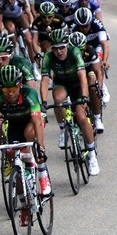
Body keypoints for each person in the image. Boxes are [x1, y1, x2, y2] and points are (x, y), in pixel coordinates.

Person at [0, 65, 50, 226]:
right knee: (13, 158)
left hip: (31, 122)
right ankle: (24, 204)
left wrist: (40, 146)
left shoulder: (29, 94)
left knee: (29, 137)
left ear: (19, 85)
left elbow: (37, 123)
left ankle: (41, 173)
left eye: (13, 88)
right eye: (6, 90)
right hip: (13, 124)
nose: (10, 93)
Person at [40, 29, 100, 176]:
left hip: (77, 86)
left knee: (80, 117)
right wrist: (43, 103)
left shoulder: (75, 53)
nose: (59, 51)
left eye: (62, 47)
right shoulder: (48, 57)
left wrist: (85, 96)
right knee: (58, 99)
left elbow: (83, 77)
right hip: (62, 84)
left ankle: (92, 155)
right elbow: (44, 81)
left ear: (67, 45)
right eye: (55, 48)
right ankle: (62, 129)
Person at [70, 7, 110, 103]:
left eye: (86, 26)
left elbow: (105, 44)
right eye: (81, 26)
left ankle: (102, 88)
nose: (84, 29)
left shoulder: (97, 24)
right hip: (82, 47)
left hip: (96, 46)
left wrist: (105, 60)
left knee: (98, 63)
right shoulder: (73, 28)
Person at [68, 31, 105, 133]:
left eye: (81, 49)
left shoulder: (90, 51)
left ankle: (97, 118)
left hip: (88, 70)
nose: (78, 52)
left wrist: (99, 88)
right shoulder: (65, 54)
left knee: (93, 85)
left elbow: (98, 71)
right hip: (73, 73)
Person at [0, 0, 36, 72]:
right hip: (8, 19)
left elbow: (29, 13)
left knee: (29, 41)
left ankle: (34, 67)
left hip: (19, 17)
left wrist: (31, 24)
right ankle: (15, 51)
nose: (9, 1)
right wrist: (1, 31)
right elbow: (0, 20)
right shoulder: (1, 4)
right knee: (11, 30)